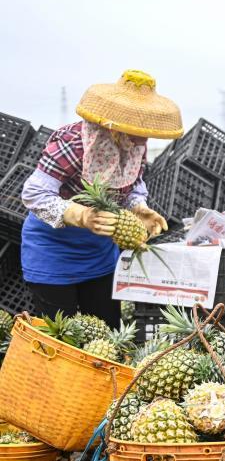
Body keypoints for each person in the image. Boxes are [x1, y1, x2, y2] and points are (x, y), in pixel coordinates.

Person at [20, 70, 178, 327]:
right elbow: (34, 193)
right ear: (117, 123)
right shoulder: (74, 143)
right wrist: (80, 215)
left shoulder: (136, 141)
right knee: (62, 338)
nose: (144, 136)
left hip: (99, 254)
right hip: (53, 252)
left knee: (108, 330)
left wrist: (139, 207)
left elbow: (134, 181)